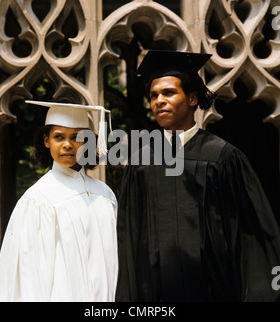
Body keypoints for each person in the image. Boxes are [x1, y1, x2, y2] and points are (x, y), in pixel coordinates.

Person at [115, 50, 280, 302]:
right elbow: (128, 239)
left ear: (192, 98)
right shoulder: (141, 162)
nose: (159, 100)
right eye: (153, 95)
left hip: (215, 293)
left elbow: (253, 235)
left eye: (168, 93)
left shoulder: (224, 158)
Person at [0, 101, 118, 302]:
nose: (67, 144)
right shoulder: (38, 199)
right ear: (46, 140)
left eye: (77, 137)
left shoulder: (104, 194)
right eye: (59, 137)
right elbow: (29, 276)